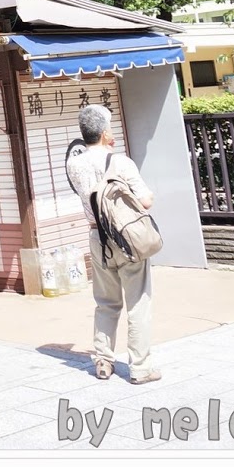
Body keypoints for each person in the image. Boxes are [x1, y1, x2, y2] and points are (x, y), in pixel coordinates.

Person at [66, 103, 160, 384]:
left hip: (97, 237)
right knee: (138, 302)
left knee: (105, 302)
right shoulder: (120, 162)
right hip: (127, 238)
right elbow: (145, 200)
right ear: (105, 132)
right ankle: (140, 368)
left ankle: (103, 360)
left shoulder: (73, 163)